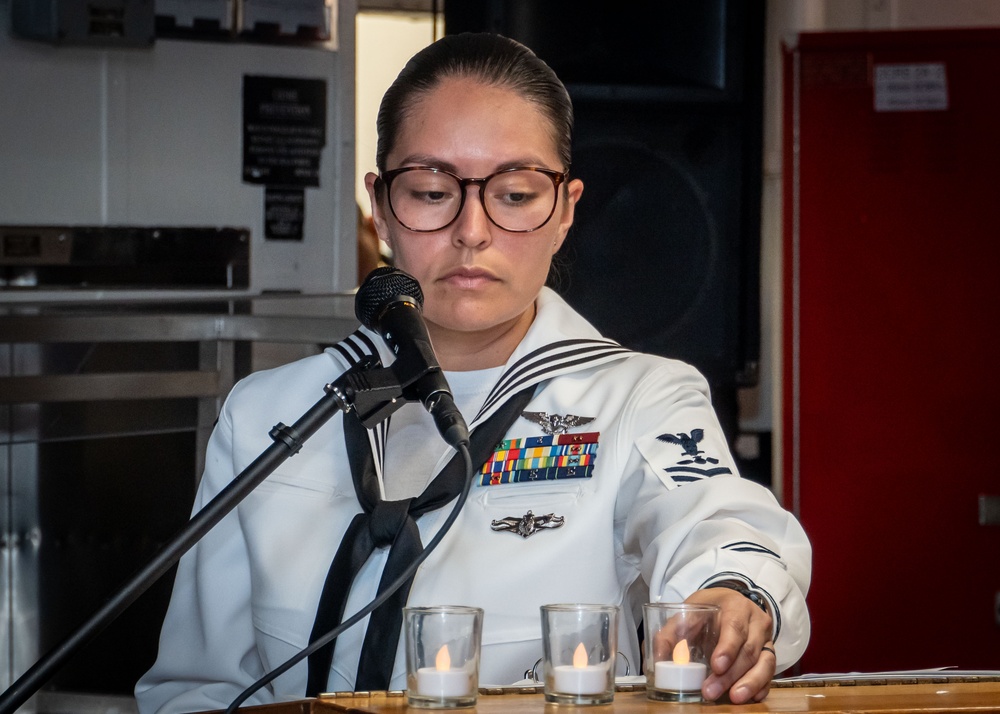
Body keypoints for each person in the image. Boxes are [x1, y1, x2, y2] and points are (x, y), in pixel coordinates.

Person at [135, 32, 810, 713]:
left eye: (515, 195)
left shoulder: (637, 396)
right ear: (381, 205)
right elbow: (198, 687)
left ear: (566, 210)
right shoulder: (267, 415)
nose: (472, 230)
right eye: (432, 191)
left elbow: (713, 521)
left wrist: (734, 593)